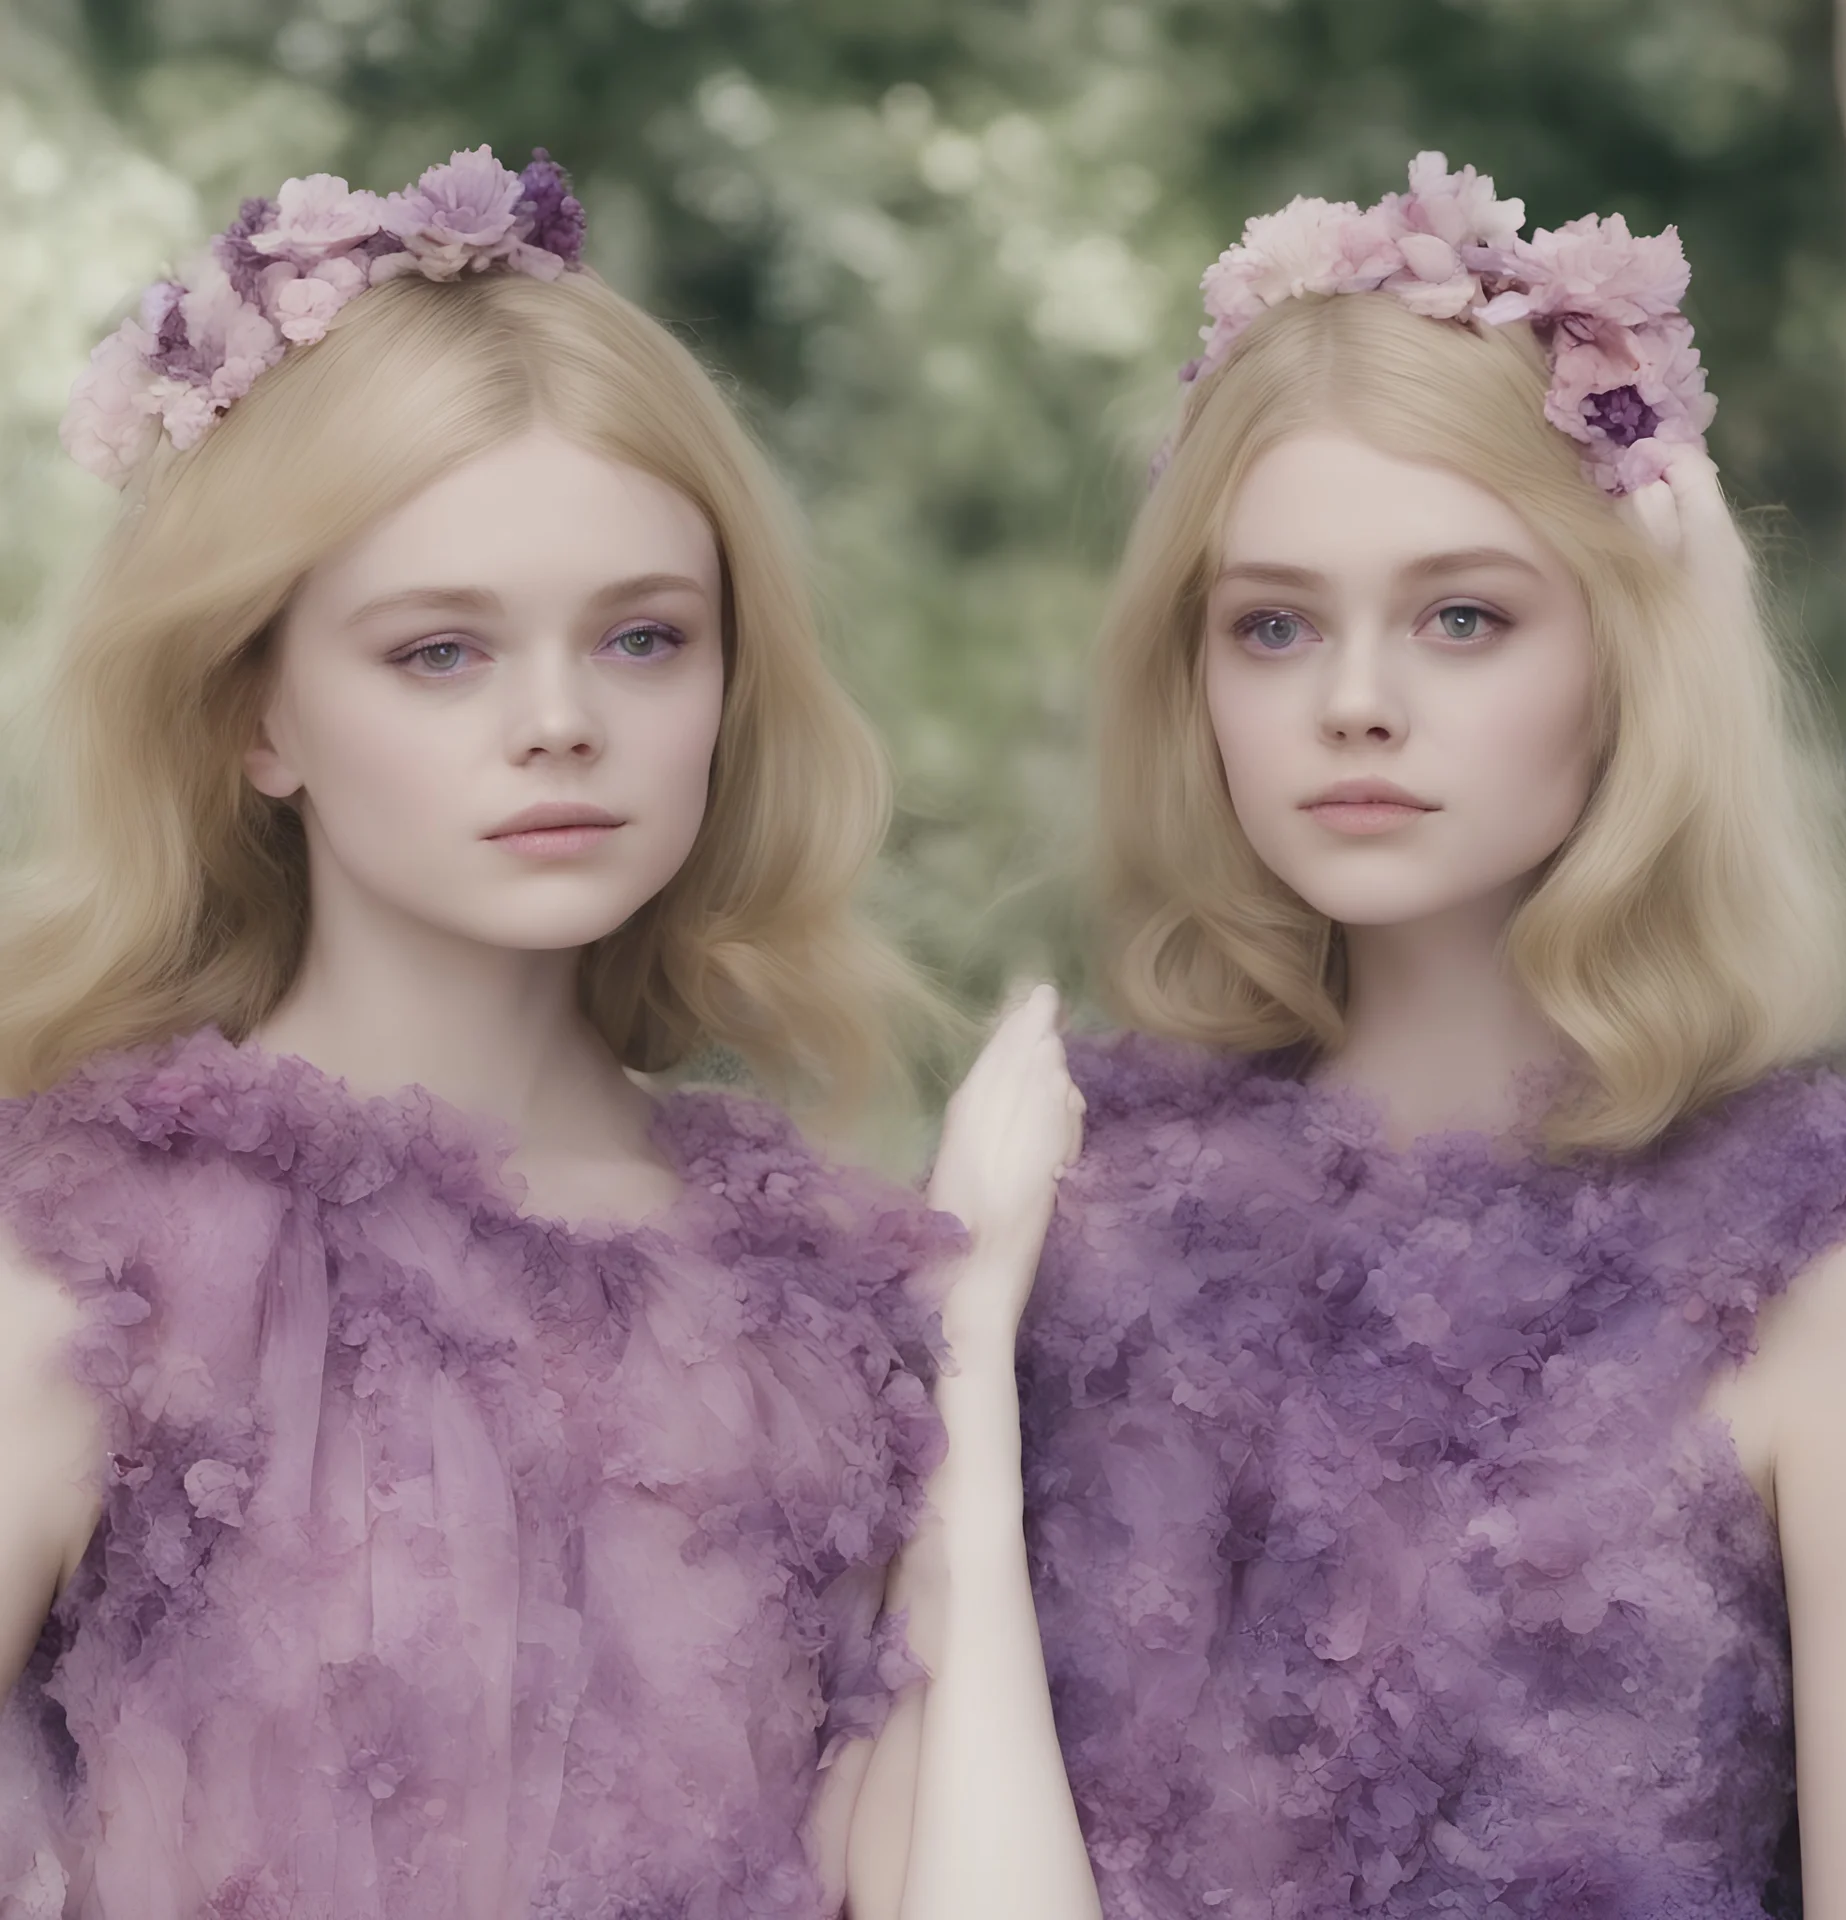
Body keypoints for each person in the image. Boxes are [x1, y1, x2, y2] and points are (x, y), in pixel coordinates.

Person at [0, 148, 1098, 1920]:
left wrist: (965, 1342)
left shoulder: (820, 1302)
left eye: (644, 640)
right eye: (440, 653)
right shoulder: (86, 1259)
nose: (562, 722)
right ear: (254, 716)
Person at [1017, 153, 1846, 1919]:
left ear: (1632, 652)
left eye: (1463, 617)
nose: (1355, 701)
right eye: (1274, 625)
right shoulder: (1075, 1213)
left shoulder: (1837, 1267)